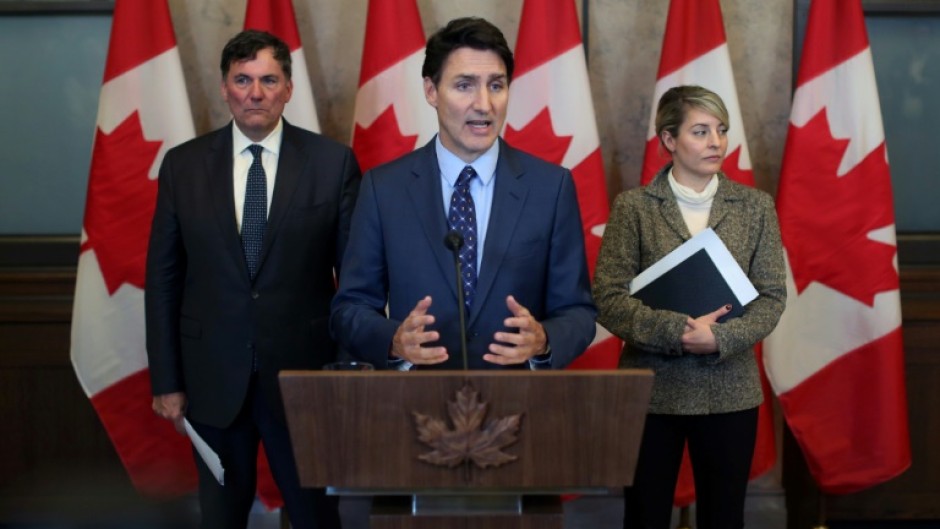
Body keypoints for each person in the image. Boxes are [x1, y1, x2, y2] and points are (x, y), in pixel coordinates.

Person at [145, 30, 360, 529]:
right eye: (242, 80)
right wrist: (167, 379)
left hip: (304, 379)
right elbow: (164, 279)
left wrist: (351, 373)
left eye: (268, 80)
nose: (255, 93)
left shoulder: (332, 164)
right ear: (224, 88)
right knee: (220, 516)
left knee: (315, 516)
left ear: (287, 88)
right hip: (211, 380)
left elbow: (355, 281)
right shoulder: (183, 166)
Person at [330, 17, 595, 370]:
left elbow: (578, 312)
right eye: (465, 85)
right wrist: (393, 340)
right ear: (431, 91)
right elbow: (350, 309)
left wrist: (544, 339)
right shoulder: (384, 189)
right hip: (417, 405)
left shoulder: (550, 187)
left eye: (496, 85)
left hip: (520, 404)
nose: (484, 104)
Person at [592, 85, 786, 529]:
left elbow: (772, 296)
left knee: (724, 518)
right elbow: (608, 297)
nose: (716, 141)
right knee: (644, 515)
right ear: (668, 140)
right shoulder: (634, 208)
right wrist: (674, 330)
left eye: (720, 130)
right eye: (700, 131)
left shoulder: (755, 207)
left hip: (729, 389)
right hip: (652, 391)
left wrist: (720, 337)